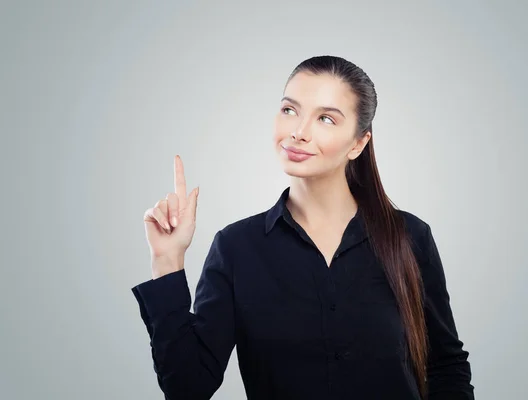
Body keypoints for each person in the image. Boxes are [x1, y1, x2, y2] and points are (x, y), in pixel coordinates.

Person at [132, 55, 475, 400]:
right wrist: (167, 263)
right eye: (289, 110)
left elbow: (446, 367)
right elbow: (188, 387)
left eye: (325, 118)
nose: (299, 131)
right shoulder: (236, 248)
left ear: (358, 144)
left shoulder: (409, 238)